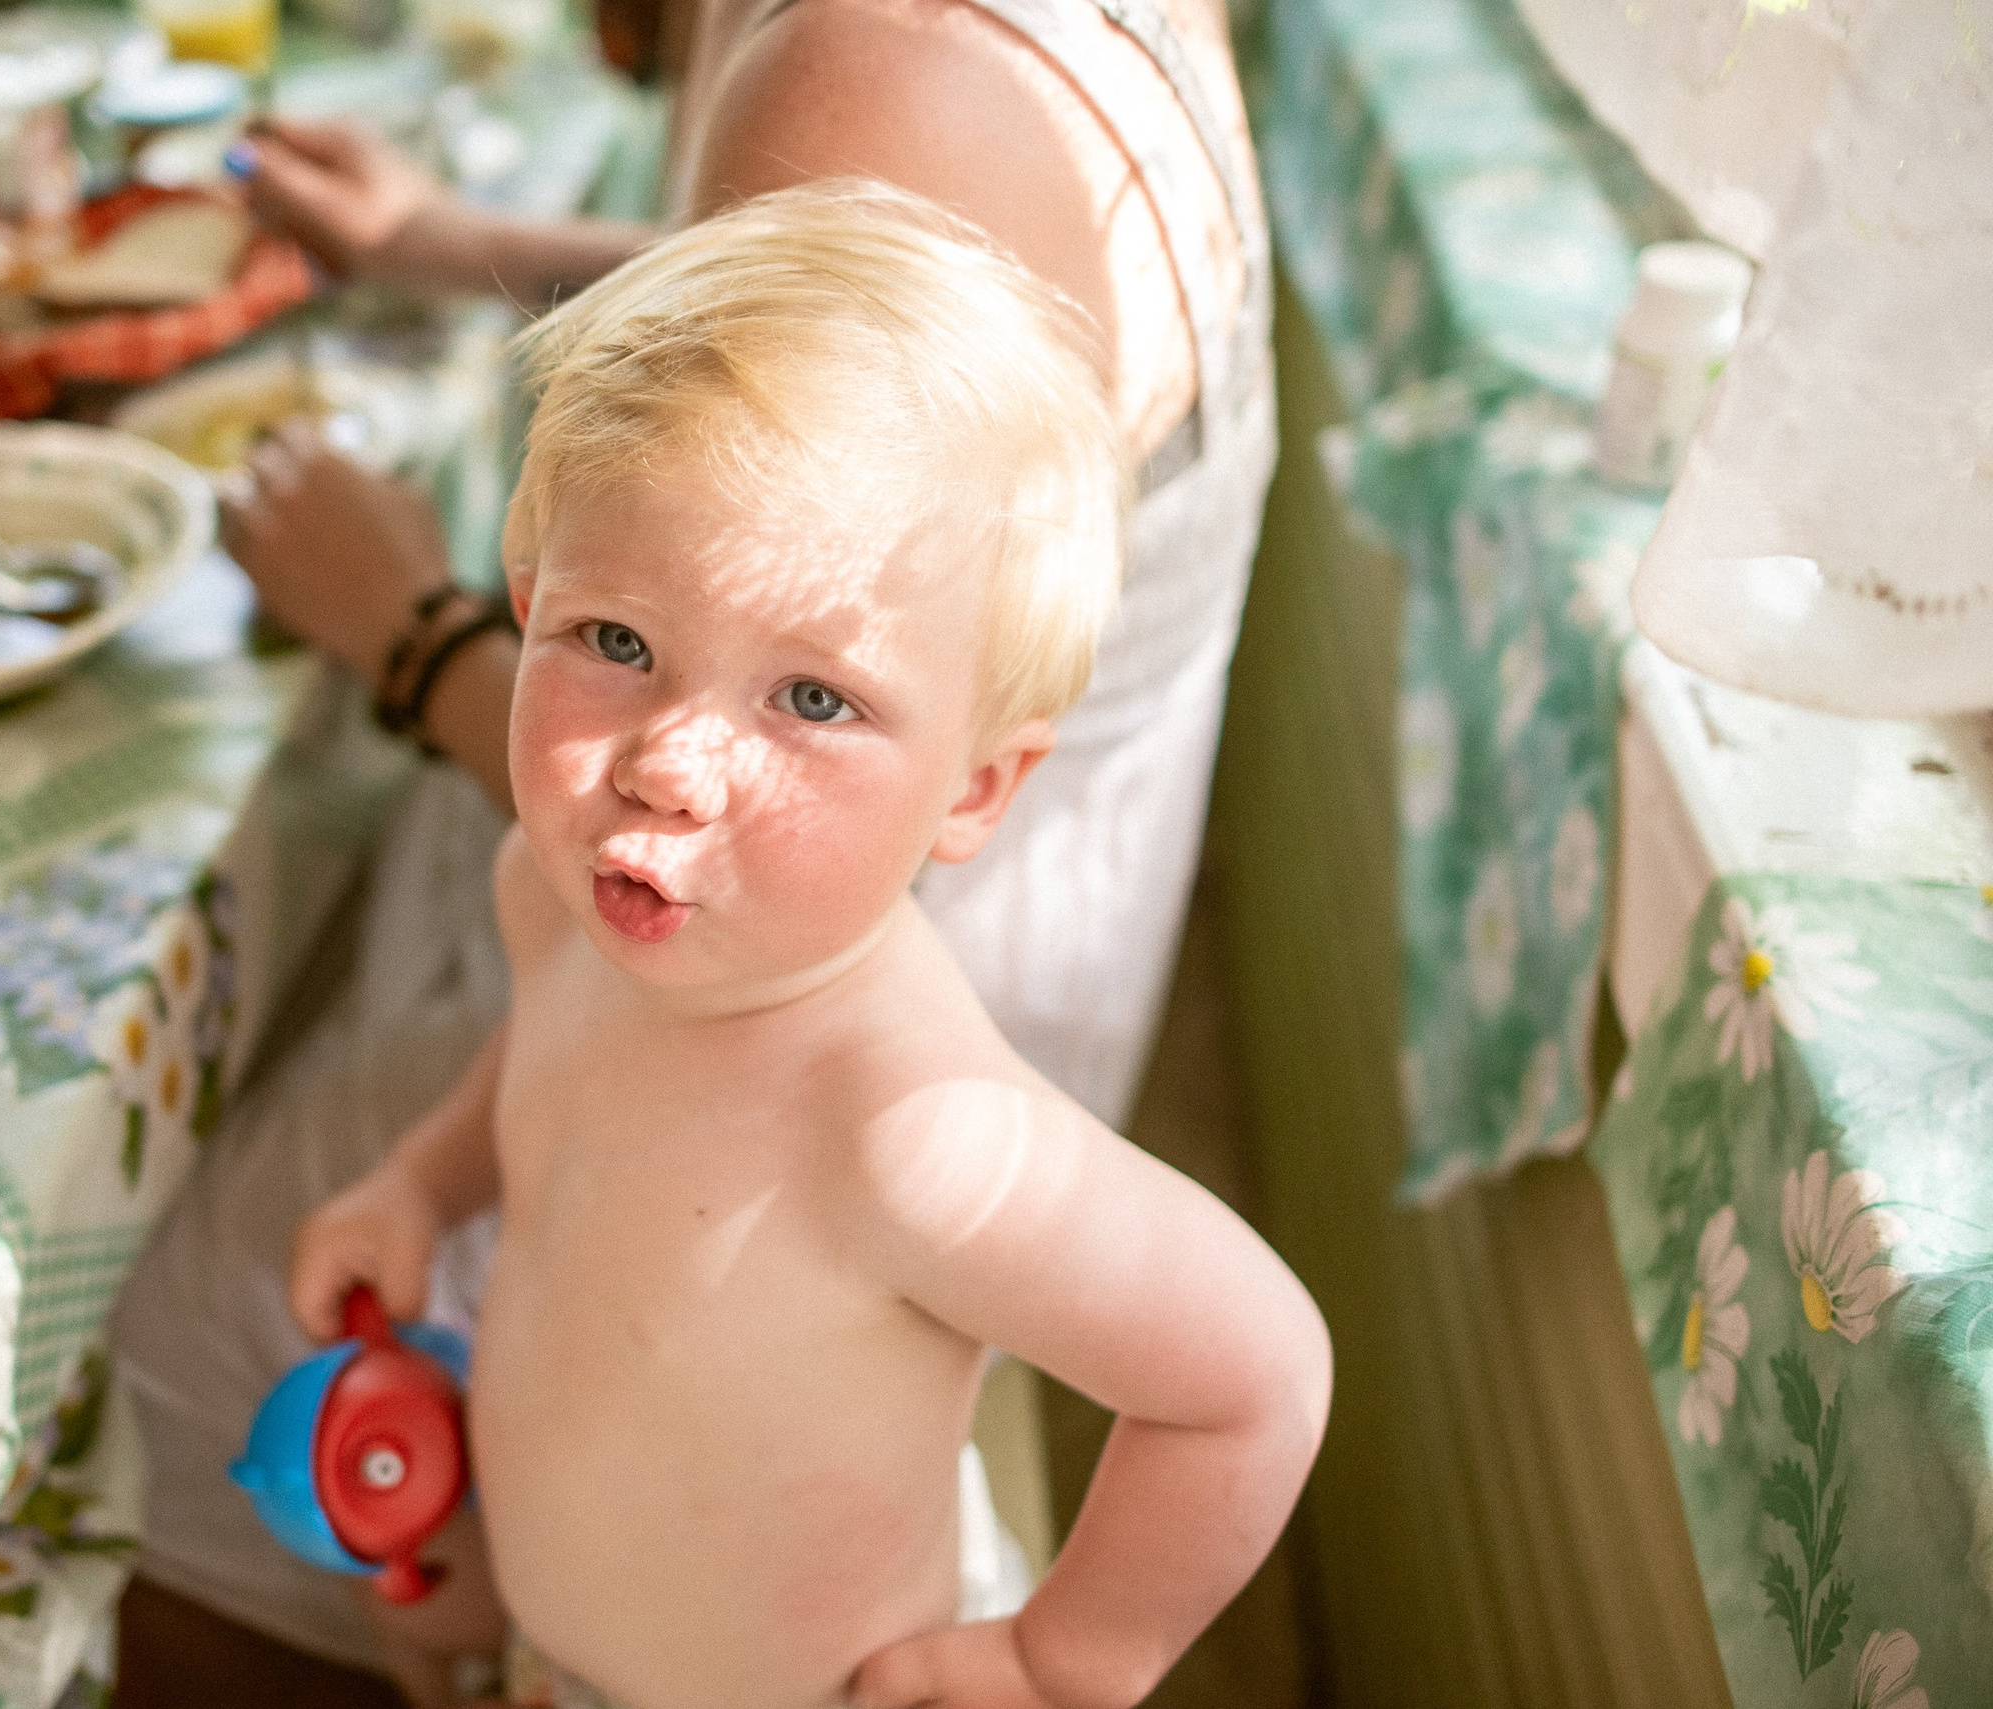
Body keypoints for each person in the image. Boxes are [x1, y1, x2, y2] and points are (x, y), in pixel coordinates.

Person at [111, 0, 1276, 1696]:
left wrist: (1054, 1658)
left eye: (812, 694)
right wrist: (424, 1182)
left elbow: (1254, 1376)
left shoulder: (919, 1135)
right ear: (529, 595)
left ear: (975, 787)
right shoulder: (573, 894)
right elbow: (555, 1084)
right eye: (615, 642)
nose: (672, 761)